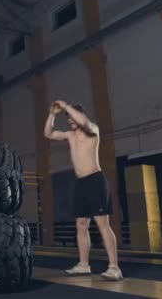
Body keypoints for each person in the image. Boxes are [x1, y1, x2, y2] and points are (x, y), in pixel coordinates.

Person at [44, 100, 123, 281]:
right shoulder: (71, 136)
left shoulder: (92, 129)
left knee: (103, 224)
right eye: (68, 119)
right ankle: (83, 265)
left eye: (72, 118)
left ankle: (114, 267)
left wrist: (66, 106)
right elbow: (48, 133)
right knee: (80, 225)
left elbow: (84, 122)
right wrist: (52, 114)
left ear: (78, 115)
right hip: (80, 183)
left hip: (95, 180)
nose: (70, 121)